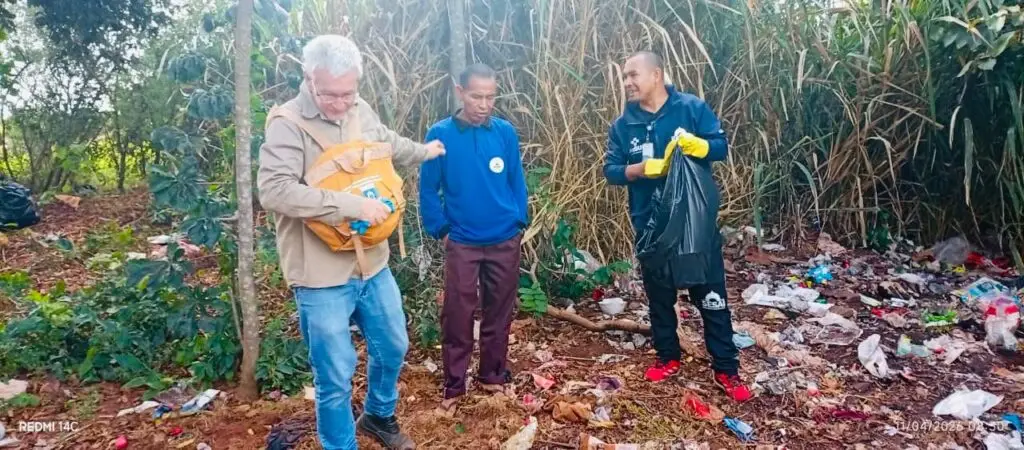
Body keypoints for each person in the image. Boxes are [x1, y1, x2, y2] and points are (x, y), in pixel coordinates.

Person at [257, 34, 445, 450]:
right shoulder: (288, 125)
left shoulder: (359, 109)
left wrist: (424, 151)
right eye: (329, 94)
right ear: (309, 79)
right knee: (335, 374)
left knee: (394, 345)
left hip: (372, 263)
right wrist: (349, 205)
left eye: (348, 93)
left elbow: (386, 143)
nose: (340, 103)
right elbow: (274, 191)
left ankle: (378, 415)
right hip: (320, 273)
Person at [602, 51, 751, 402]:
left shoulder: (691, 109)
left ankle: (726, 369)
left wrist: (698, 146)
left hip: (694, 226)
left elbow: (720, 147)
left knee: (712, 298)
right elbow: (610, 170)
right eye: (625, 76)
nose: (627, 82)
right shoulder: (624, 125)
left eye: (633, 75)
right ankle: (668, 356)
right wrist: (638, 170)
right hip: (651, 226)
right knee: (659, 298)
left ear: (656, 75)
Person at [418, 63, 529, 412]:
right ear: (460, 91)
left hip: (503, 238)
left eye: (490, 97)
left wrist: (518, 219)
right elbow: (427, 189)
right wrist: (442, 230)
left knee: (500, 310)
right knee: (458, 311)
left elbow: (516, 180)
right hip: (463, 240)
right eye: (477, 96)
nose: (484, 104)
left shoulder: (505, 133)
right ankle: (454, 383)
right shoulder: (441, 135)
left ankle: (492, 375)